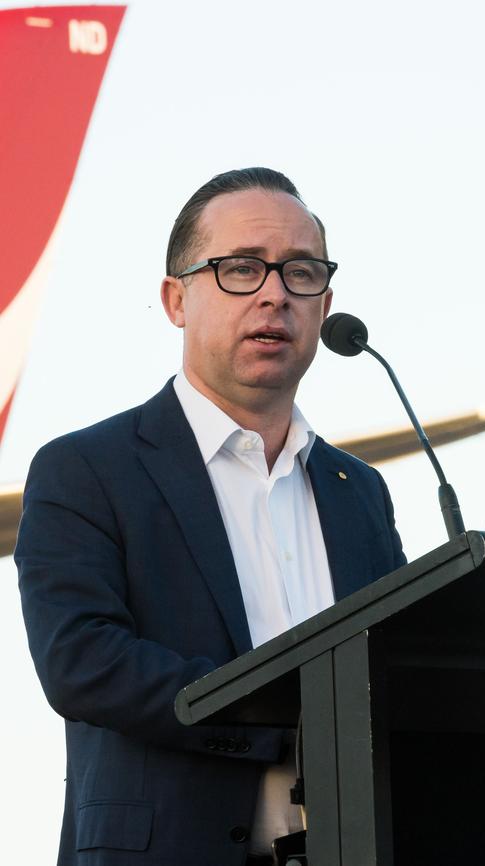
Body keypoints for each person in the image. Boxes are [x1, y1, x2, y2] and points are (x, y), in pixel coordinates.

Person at [16, 167, 406, 866]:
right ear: (176, 300)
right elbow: (82, 663)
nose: (275, 294)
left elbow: (401, 667)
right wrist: (287, 726)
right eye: (240, 269)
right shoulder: (88, 469)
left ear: (325, 303)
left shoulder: (359, 491)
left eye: (301, 273)